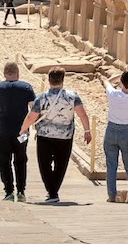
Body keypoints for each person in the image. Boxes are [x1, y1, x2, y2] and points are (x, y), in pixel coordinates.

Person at [22, 68, 91, 204]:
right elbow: (82, 114)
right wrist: (87, 130)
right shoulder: (73, 96)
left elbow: (31, 117)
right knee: (61, 165)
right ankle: (53, 192)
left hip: (44, 136)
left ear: (49, 80)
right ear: (63, 80)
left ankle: (52, 192)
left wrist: (23, 129)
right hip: (65, 136)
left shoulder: (41, 97)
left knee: (44, 165)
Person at [0, 61, 36, 202]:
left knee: (3, 161)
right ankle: (21, 191)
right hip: (22, 132)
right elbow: (34, 108)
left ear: (4, 73)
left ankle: (8, 191)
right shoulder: (26, 87)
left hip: (2, 131)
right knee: (21, 160)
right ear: (18, 73)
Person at [104, 70, 128, 203]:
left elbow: (107, 81)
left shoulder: (113, 94)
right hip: (126, 132)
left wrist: (118, 76)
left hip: (111, 129)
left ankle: (111, 195)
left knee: (111, 164)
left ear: (121, 81)